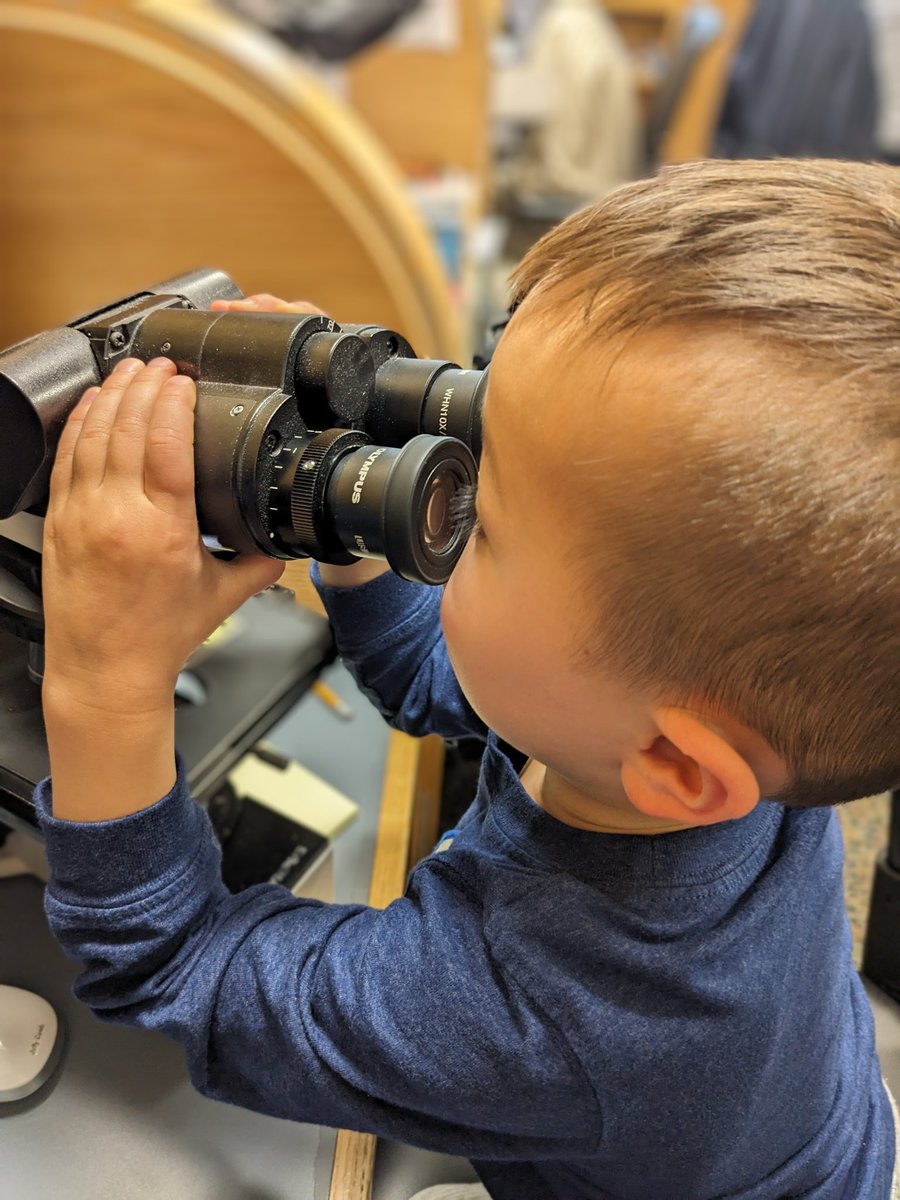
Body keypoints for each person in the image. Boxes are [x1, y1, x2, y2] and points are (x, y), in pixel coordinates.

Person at [35, 157, 899, 1199]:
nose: (442, 478)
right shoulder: (712, 721)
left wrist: (103, 682)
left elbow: (176, 969)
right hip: (818, 1125)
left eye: (481, 524)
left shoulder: (545, 1008)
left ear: (676, 759)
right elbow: (443, 679)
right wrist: (329, 487)